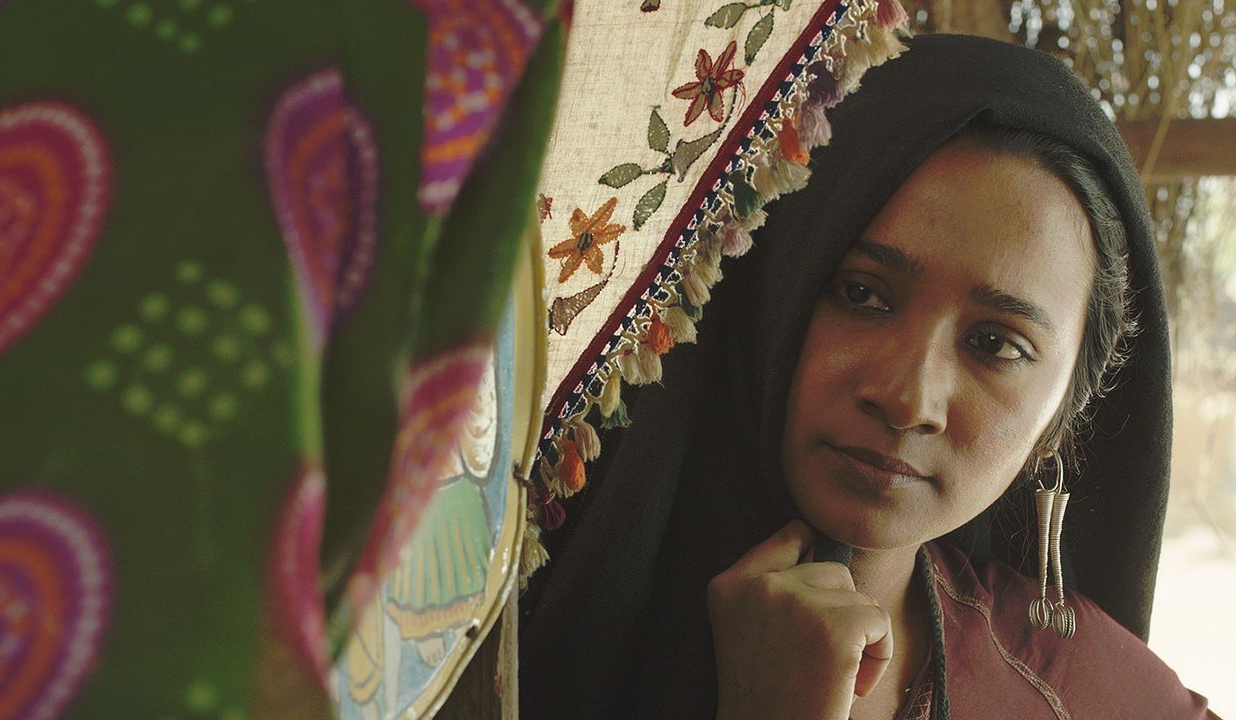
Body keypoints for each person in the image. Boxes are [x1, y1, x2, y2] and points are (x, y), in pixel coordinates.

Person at [518, 34, 1220, 719]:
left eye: (995, 344)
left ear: (1060, 418)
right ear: (776, 287)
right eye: (862, 295)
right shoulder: (514, 627)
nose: (908, 398)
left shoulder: (1087, 696)